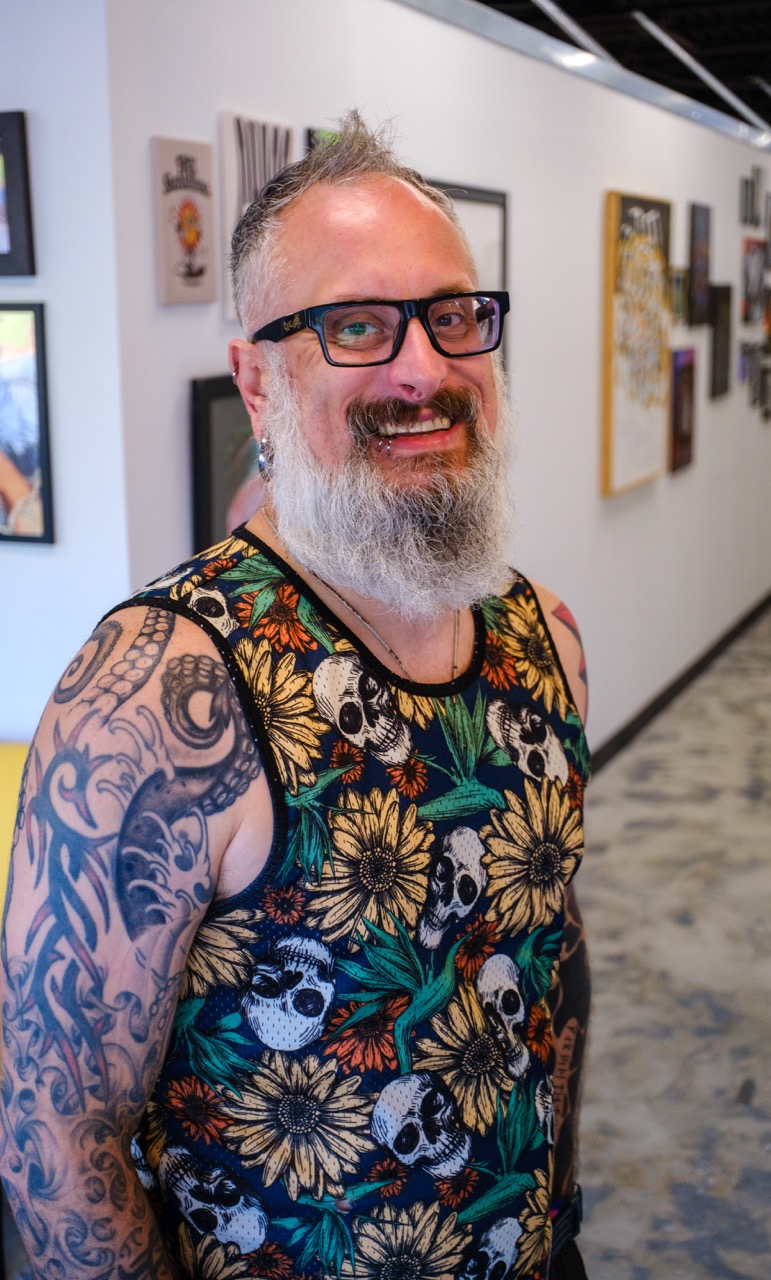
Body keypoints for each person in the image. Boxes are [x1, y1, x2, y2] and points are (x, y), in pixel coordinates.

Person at [0, 112, 591, 1279]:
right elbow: (54, 1134)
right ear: (256, 381)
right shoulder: (162, 692)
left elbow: (544, 956)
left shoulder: (544, 635)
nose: (423, 368)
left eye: (452, 314)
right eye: (356, 326)